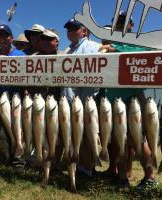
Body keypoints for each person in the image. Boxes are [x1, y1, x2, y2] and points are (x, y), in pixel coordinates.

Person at [98, 11, 157, 190]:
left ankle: (150, 178)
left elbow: (149, 53)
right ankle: (122, 178)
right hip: (113, 99)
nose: (120, 24)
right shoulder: (110, 43)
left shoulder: (138, 41)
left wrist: (115, 49)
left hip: (133, 99)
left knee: (138, 140)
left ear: (132, 25)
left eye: (124, 21)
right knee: (118, 140)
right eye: (117, 21)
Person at [62, 18, 99, 178]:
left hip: (84, 102)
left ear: (84, 31)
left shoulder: (92, 46)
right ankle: (77, 166)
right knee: (74, 136)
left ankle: (86, 169)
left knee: (85, 137)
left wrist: (85, 101)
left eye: (74, 28)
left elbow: (94, 77)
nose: (70, 31)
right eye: (68, 28)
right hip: (69, 102)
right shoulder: (68, 50)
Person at [0, 24, 25, 96]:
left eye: (5, 35)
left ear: (11, 38)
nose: (2, 39)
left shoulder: (21, 56)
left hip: (16, 101)